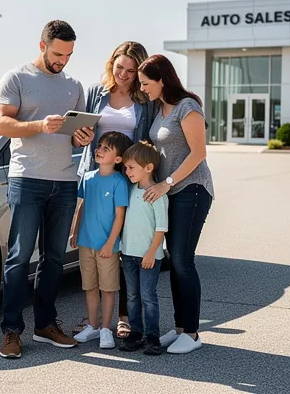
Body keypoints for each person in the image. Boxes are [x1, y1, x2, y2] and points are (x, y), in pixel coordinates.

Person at [0, 20, 95, 359]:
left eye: (68, 55)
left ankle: (46, 325)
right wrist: (39, 125)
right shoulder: (17, 78)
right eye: (57, 53)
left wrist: (82, 136)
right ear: (42, 45)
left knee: (54, 258)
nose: (62, 61)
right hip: (27, 179)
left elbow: (76, 132)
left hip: (65, 181)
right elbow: (1, 124)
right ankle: (11, 331)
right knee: (19, 257)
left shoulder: (74, 85)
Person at [74, 41, 154, 341]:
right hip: (97, 177)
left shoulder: (144, 100)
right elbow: (79, 135)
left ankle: (123, 317)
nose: (124, 74)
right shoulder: (96, 93)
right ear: (112, 64)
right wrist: (80, 138)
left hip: (127, 178)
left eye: (131, 71)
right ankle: (95, 319)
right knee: (97, 246)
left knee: (125, 249)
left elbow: (148, 140)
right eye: (119, 67)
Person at [138, 54, 215, 355]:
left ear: (162, 80)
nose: (143, 88)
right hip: (169, 194)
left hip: (192, 190)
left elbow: (198, 153)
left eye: (146, 83)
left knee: (183, 261)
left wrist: (165, 184)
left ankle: (194, 334)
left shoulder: (187, 106)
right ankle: (181, 328)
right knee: (176, 260)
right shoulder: (159, 110)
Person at [69, 131, 133, 349]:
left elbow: (119, 216)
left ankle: (107, 328)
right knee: (89, 287)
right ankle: (93, 326)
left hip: (107, 247)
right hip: (86, 244)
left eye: (107, 148)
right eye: (100, 146)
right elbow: (82, 206)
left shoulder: (119, 182)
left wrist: (110, 243)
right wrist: (75, 231)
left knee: (108, 288)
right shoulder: (87, 178)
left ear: (118, 159)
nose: (100, 149)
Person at [118, 140, 168, 355]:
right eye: (126, 167)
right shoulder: (129, 190)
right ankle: (136, 333)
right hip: (128, 255)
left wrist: (151, 253)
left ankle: (152, 336)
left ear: (148, 168)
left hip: (149, 256)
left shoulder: (157, 195)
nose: (127, 171)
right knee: (132, 296)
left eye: (131, 167)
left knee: (148, 296)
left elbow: (161, 227)